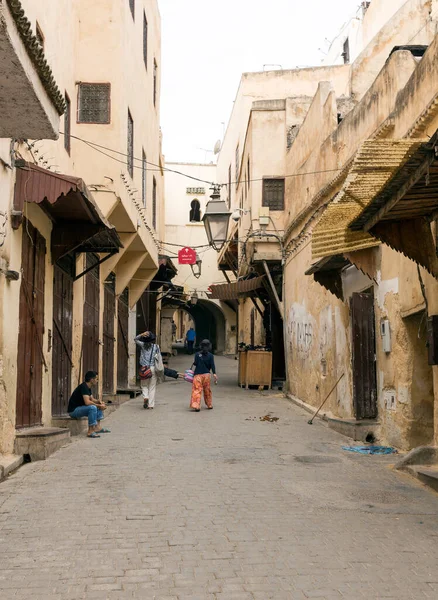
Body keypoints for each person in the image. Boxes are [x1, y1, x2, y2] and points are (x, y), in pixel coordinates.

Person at [68, 371, 109, 438]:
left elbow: (92, 399)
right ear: (91, 380)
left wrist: (99, 402)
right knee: (92, 407)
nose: (97, 381)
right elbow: (87, 402)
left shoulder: (88, 387)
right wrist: (98, 405)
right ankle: (90, 431)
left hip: (80, 408)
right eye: (96, 379)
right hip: (73, 411)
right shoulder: (83, 387)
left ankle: (97, 427)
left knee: (97, 406)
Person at [134, 331, 163, 409]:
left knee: (144, 385)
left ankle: (145, 397)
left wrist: (141, 334)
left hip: (144, 368)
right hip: (153, 368)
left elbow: (135, 339)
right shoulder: (156, 347)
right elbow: (159, 358)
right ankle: (151, 405)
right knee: (152, 387)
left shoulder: (143, 345)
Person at [190, 339, 218, 412]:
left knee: (197, 390)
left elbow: (195, 363)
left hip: (197, 375)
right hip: (206, 375)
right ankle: (209, 404)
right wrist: (214, 373)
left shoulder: (197, 354)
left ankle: (196, 406)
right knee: (207, 390)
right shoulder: (211, 356)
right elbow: (212, 365)